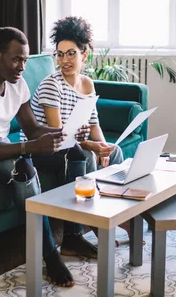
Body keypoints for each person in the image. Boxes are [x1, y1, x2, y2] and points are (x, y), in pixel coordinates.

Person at [0, 27, 90, 288]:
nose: (22, 66)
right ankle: (50, 255)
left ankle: (72, 234)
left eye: (25, 60)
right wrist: (29, 148)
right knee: (23, 168)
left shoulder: (18, 84)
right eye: (16, 59)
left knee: (75, 152)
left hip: (1, 150)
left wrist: (64, 132)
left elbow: (33, 129)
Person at [26, 16, 134, 245]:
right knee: (85, 156)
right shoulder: (50, 85)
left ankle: (114, 216)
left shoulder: (87, 84)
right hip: (46, 148)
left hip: (71, 144)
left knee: (115, 152)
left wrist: (103, 146)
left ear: (84, 54)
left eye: (71, 53)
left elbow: (94, 125)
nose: (64, 60)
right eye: (60, 53)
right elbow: (58, 135)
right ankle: (89, 226)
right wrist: (90, 146)